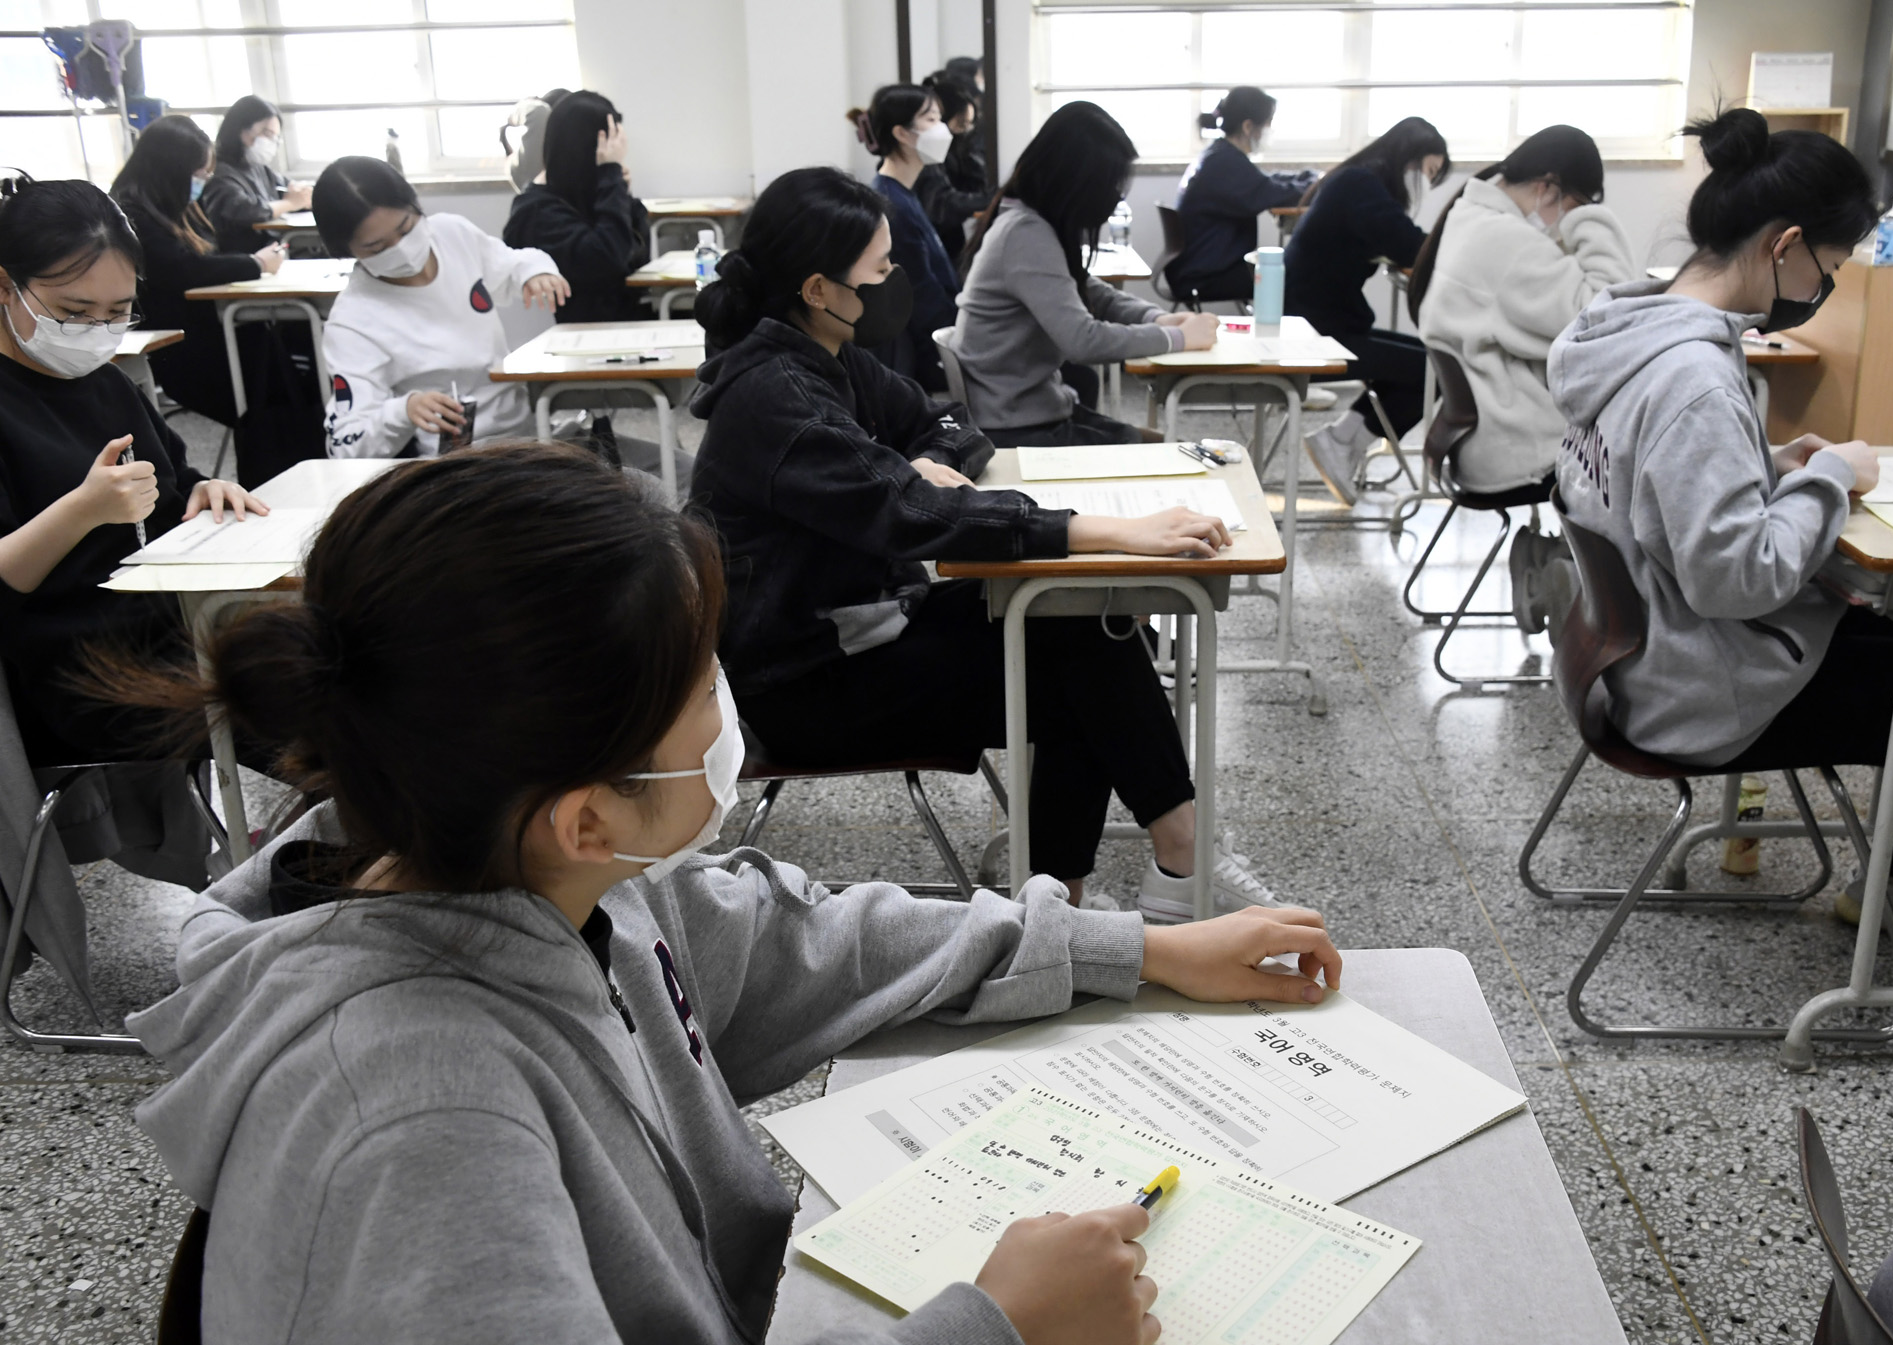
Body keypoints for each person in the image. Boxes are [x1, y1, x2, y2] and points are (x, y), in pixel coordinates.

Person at [121, 441, 1345, 1342]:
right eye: (700, 681)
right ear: (587, 813)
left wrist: (1135, 948)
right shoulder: (421, 1135)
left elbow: (795, 936)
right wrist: (996, 1327)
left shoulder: (546, 875)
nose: (726, 702)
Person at [691, 167, 1280, 920]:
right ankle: (1147, 873)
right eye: (880, 268)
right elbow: (914, 516)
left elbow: (947, 423)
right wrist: (1115, 532)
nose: (896, 280)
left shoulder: (826, 356)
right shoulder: (777, 395)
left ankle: (1082, 896)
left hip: (865, 625)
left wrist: (920, 460)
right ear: (817, 289)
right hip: (802, 682)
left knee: (1082, 619)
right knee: (1083, 666)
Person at [1549, 107, 1893, 1037]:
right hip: (1700, 685)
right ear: (1784, 244)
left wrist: (1768, 466)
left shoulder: (1622, 329)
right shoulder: (1695, 378)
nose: (1825, 287)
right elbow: (1735, 579)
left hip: (1640, 658)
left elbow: (1660, 493)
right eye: (1828, 265)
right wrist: (1830, 477)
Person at [0, 175, 262, 764]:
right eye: (73, 313)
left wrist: (206, 488)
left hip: (172, 626)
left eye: (117, 313)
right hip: (81, 670)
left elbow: (173, 480)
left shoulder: (107, 382)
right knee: (302, 712)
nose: (97, 332)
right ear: (5, 287)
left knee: (342, 665)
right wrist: (81, 510)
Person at [1410, 124, 1636, 634]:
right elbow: (1610, 312)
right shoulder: (1505, 242)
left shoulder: (1472, 218)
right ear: (1548, 187)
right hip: (1515, 447)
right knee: (1644, 462)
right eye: (1572, 204)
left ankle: (1550, 559)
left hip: (1485, 437)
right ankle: (1567, 573)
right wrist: (1588, 218)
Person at [954, 102, 1217, 447]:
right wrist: (1177, 338)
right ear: (1076, 181)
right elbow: (1083, 340)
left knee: (1166, 447)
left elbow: (1087, 289)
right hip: (1016, 428)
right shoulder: (1026, 235)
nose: (1115, 196)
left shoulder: (1029, 222)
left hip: (1027, 412)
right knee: (1167, 454)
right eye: (1109, 183)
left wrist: (1155, 318)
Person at [110, 115, 325, 487]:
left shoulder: (170, 206)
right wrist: (255, 264)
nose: (204, 181)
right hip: (180, 345)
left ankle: (296, 458)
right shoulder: (133, 216)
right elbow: (185, 268)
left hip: (203, 330)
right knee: (275, 374)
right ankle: (282, 467)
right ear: (170, 171)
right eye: (199, 173)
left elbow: (203, 258)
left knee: (290, 348)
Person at [314, 156, 571, 461]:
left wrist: (534, 272)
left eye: (406, 228)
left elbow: (511, 263)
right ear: (345, 250)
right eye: (377, 248)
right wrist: (403, 411)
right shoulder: (353, 322)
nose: (401, 249)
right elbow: (345, 446)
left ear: (415, 205)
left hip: (524, 431)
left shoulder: (451, 234)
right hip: (456, 463)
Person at [1286, 116, 1449, 492]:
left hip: (1317, 322)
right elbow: (1409, 245)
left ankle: (1342, 439)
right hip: (1314, 334)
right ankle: (1343, 441)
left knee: (1435, 361)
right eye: (1428, 171)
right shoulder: (1362, 185)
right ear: (1409, 158)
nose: (1425, 183)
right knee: (1434, 370)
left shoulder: (1356, 180)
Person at [845, 83, 961, 392]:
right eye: (931, 119)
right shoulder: (890, 204)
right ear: (902, 133)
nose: (942, 129)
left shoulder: (903, 193)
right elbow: (919, 291)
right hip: (919, 356)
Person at [503, 90, 651, 325]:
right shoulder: (536, 212)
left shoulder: (586, 192)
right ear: (586, 150)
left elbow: (639, 253)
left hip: (628, 321)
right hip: (587, 332)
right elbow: (608, 261)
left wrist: (620, 191)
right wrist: (611, 183)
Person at [1166, 87, 1316, 305]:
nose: (1270, 130)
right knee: (1297, 274)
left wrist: (1308, 177)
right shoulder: (1226, 163)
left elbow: (1266, 183)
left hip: (1196, 268)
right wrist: (1317, 184)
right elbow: (1277, 194)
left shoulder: (1219, 155)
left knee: (1290, 268)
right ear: (1248, 127)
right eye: (1268, 123)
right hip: (1204, 276)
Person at [200, 95, 313, 255]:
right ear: (240, 129)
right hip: (239, 255)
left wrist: (303, 195)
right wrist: (290, 203)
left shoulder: (259, 168)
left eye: (276, 137)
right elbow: (245, 211)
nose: (272, 142)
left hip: (269, 250)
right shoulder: (217, 172)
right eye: (267, 134)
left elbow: (289, 187)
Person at [915, 72, 988, 252]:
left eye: (969, 124)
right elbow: (944, 204)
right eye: (961, 124)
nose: (966, 131)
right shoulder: (928, 159)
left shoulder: (961, 152)